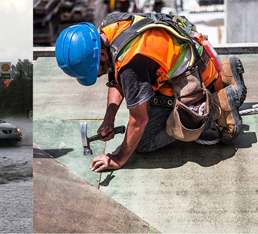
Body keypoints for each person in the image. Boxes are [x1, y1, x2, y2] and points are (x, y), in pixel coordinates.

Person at [55, 13, 247, 172]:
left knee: (144, 142)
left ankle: (218, 108)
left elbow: (139, 120)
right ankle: (226, 75)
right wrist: (109, 118)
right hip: (197, 60)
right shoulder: (110, 26)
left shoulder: (131, 64)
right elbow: (115, 76)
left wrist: (118, 159)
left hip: (194, 80)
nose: (96, 77)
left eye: (94, 71)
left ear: (102, 54)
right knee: (141, 98)